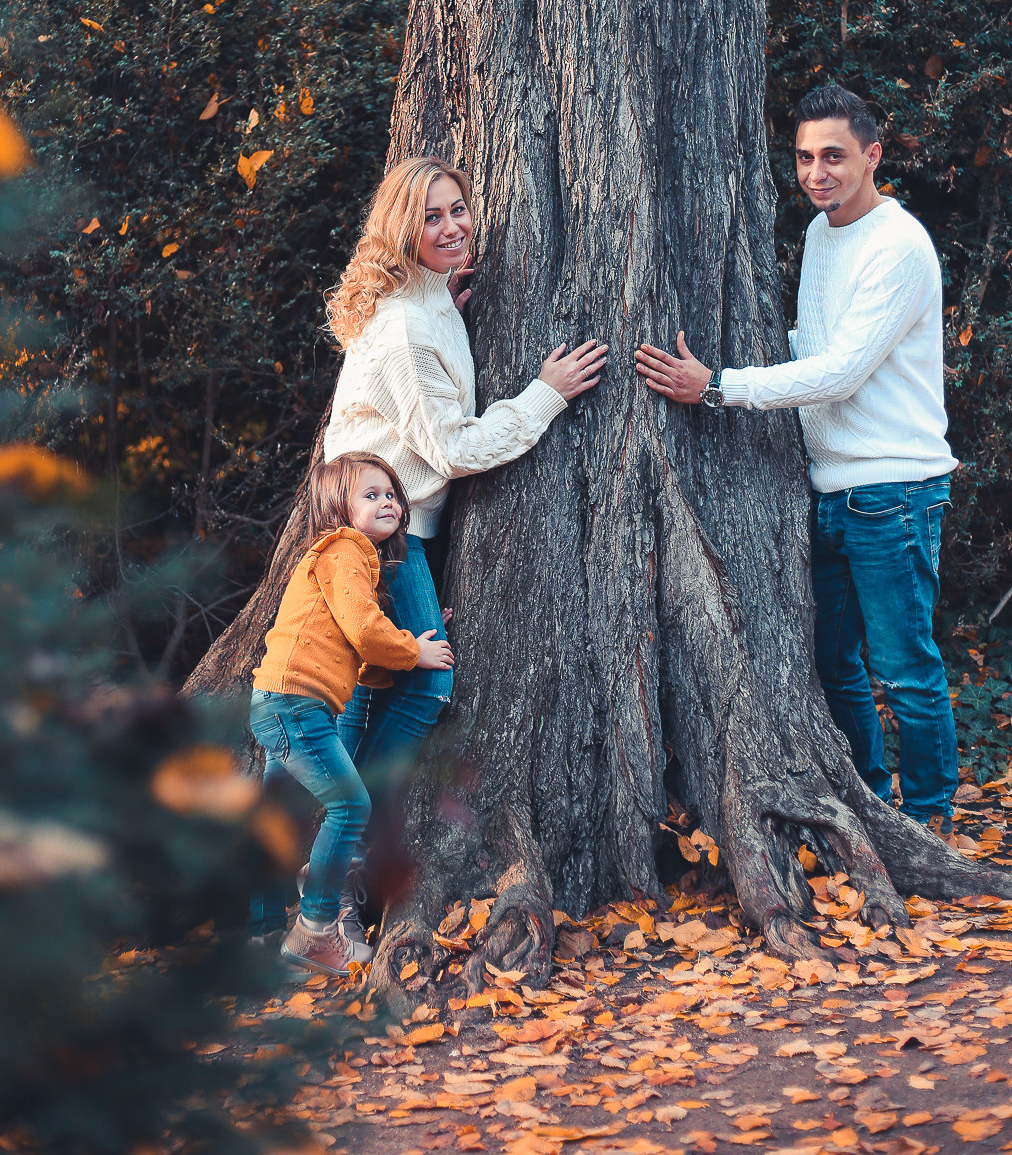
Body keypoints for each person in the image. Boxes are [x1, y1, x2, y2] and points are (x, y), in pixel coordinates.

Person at [636, 83, 959, 832]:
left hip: (893, 489)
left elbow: (844, 369)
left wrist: (717, 387)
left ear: (872, 156)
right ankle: (873, 802)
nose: (818, 172)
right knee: (835, 665)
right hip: (829, 489)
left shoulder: (899, 247)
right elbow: (812, 348)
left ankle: (934, 821)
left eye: (835, 157)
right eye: (806, 157)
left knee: (906, 672)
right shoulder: (821, 234)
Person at [322, 155, 606, 930]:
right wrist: (545, 396)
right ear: (401, 229)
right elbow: (451, 449)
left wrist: (449, 301)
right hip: (382, 540)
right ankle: (335, 890)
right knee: (416, 687)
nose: (452, 227)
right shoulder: (409, 325)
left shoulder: (424, 300)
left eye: (458, 210)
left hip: (392, 526)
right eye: (431, 218)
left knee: (378, 693)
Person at [249, 452, 454, 975]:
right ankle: (315, 931)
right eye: (371, 494)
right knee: (350, 806)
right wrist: (414, 651)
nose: (387, 501)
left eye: (391, 493)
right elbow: (366, 632)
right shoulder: (347, 548)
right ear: (338, 508)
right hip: (296, 705)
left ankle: (263, 929)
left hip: (280, 699)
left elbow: (360, 647)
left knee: (280, 812)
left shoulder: (347, 561)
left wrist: (405, 634)